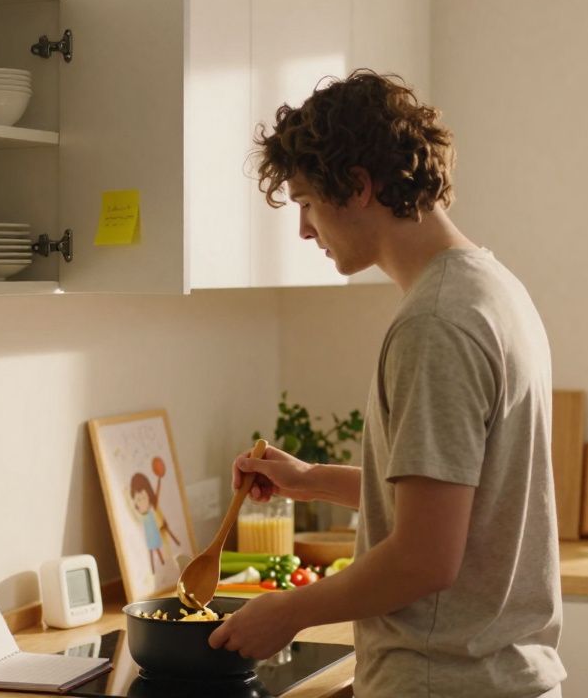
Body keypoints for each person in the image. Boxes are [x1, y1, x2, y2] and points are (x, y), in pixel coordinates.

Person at [208, 70, 565, 698]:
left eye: (307, 203)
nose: (304, 230)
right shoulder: (491, 288)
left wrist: (288, 612)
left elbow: (424, 559)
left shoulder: (436, 323)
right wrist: (312, 478)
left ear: (358, 186)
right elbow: (456, 508)